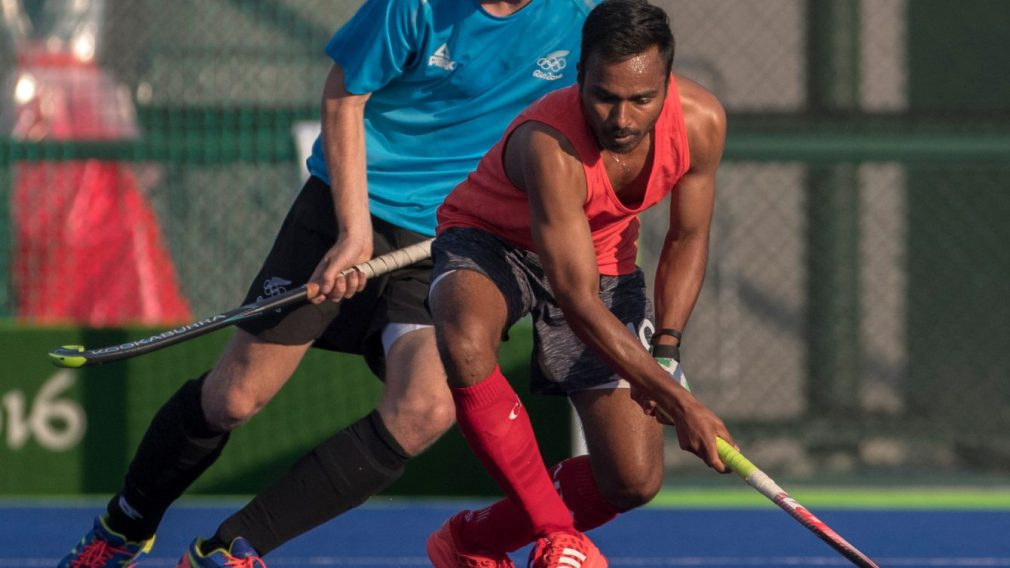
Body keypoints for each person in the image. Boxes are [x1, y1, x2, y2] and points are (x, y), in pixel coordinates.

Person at [58, 0, 596, 566]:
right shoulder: (413, 6)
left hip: (452, 236)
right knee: (235, 397)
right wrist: (353, 229)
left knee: (426, 407)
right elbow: (344, 94)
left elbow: (605, 114)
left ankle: (229, 550)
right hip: (350, 207)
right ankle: (123, 526)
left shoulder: (581, 19)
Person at [424, 1, 736, 566]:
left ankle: (471, 541)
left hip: (603, 257)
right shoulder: (551, 145)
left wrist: (666, 352)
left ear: (668, 83)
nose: (621, 119)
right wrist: (678, 402)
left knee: (633, 481)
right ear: (579, 78)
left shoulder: (702, 123)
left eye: (641, 99)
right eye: (604, 96)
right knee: (466, 343)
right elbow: (576, 301)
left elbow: (687, 239)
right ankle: (554, 533)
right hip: (493, 240)